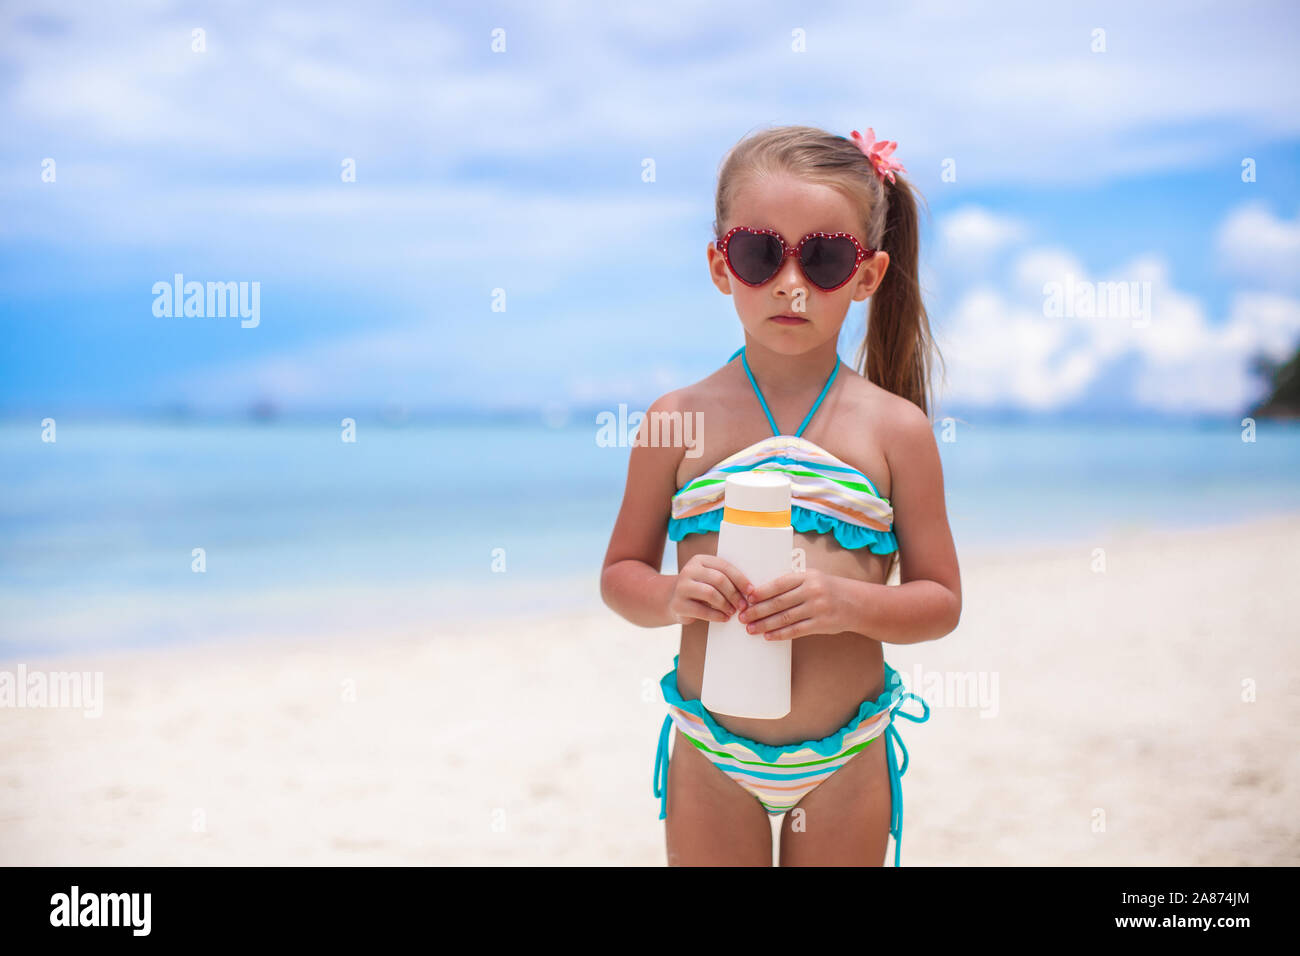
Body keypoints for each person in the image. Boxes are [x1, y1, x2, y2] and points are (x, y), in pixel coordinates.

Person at [600, 125, 961, 866]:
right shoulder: (675, 420)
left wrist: (848, 603)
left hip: (845, 761)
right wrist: (672, 595)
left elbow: (941, 601)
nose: (791, 283)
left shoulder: (897, 430)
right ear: (719, 264)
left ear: (867, 275)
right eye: (761, 255)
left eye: (825, 258)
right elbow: (620, 577)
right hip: (709, 754)